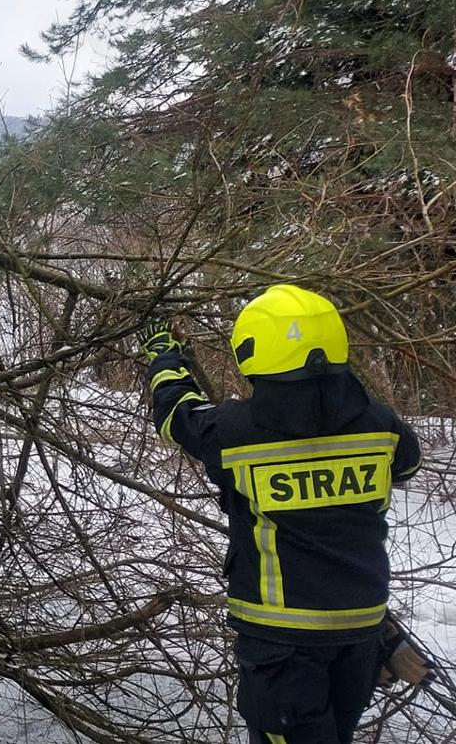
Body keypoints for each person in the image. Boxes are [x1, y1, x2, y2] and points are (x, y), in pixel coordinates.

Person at [145, 285, 422, 744]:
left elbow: (177, 414)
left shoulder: (234, 431)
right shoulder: (381, 424)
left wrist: (163, 355)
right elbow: (407, 466)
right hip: (362, 630)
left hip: (282, 641)